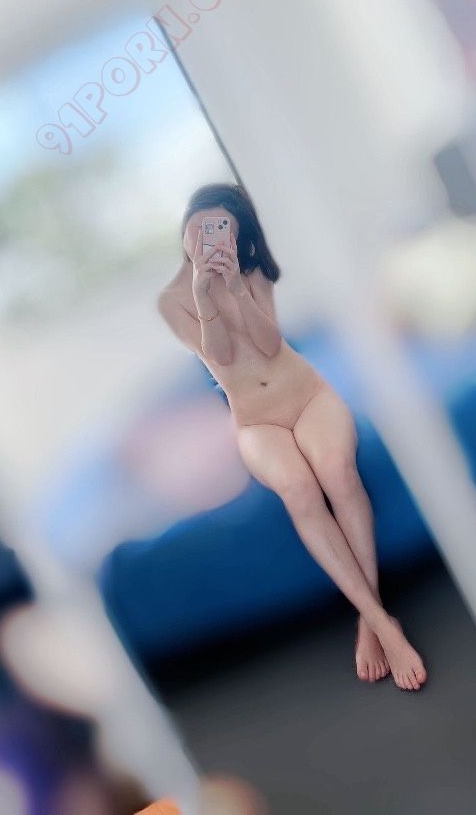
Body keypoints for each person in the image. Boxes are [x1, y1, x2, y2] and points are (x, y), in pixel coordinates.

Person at [157, 183, 427, 691]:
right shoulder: (173, 301)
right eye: (201, 227)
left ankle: (369, 621)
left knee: (338, 472)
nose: (209, 238)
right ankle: (382, 622)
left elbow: (268, 344)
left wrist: (237, 289)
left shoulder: (254, 274)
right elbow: (222, 356)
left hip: (307, 397)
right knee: (300, 491)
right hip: (257, 421)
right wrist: (204, 293)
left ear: (237, 235)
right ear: (186, 231)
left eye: (221, 228)